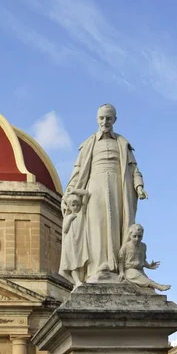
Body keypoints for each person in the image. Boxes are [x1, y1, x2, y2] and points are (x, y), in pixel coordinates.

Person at [61, 103, 147, 283]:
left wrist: (138, 187)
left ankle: (116, 267)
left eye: (108, 118)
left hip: (118, 186)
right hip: (94, 187)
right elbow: (78, 170)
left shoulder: (122, 143)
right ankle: (97, 267)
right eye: (101, 118)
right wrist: (70, 190)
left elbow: (134, 169)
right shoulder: (88, 144)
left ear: (115, 120)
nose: (105, 121)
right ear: (97, 119)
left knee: (117, 225)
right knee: (96, 225)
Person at [118, 224, 170, 292]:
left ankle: (158, 287)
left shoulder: (143, 246)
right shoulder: (125, 247)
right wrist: (121, 272)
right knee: (147, 282)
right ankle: (159, 287)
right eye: (134, 236)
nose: (137, 239)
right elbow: (120, 261)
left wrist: (149, 266)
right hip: (130, 271)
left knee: (150, 289)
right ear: (130, 236)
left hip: (140, 270)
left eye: (139, 236)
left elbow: (143, 260)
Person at [58, 189, 89, 288]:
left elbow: (86, 193)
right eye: (73, 205)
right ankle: (76, 281)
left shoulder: (82, 213)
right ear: (69, 206)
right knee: (73, 263)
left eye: (78, 205)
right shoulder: (68, 217)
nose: (76, 207)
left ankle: (78, 281)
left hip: (79, 242)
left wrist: (73, 192)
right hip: (70, 243)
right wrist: (70, 218)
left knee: (79, 262)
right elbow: (65, 229)